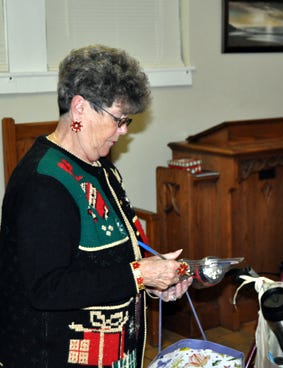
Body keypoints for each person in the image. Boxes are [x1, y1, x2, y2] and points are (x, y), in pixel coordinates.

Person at [0, 45, 193, 367]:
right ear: (79, 109)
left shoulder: (99, 166)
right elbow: (47, 288)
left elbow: (111, 259)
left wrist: (156, 282)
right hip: (52, 354)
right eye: (119, 119)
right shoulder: (43, 182)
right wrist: (141, 274)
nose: (124, 130)